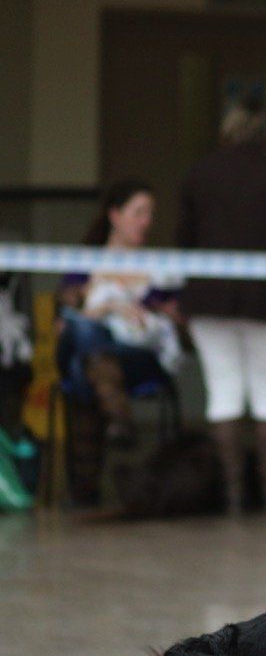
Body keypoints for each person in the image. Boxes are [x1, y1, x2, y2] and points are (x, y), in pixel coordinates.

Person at [176, 99, 266, 513]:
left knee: (223, 392)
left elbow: (184, 240)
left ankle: (233, 497)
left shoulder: (199, 173)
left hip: (209, 298)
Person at [56, 180, 184, 504]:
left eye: (150, 213)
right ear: (115, 215)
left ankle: (85, 488)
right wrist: (107, 306)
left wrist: (153, 311)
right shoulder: (86, 263)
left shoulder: (160, 268)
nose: (147, 221)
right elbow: (63, 318)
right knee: (85, 332)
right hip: (94, 348)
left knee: (85, 365)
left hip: (136, 357)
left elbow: (178, 320)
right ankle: (117, 416)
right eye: (139, 212)